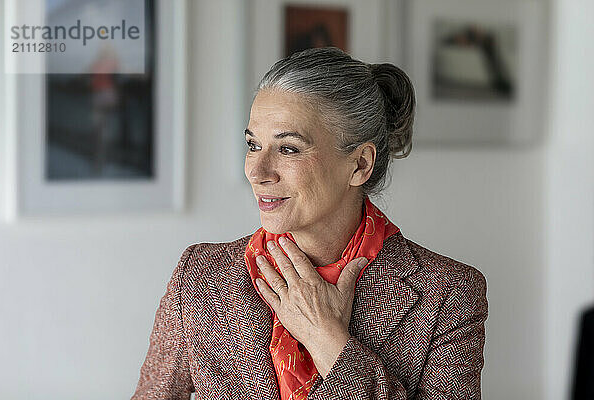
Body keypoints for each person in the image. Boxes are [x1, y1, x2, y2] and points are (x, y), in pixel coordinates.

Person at [131, 47, 488, 400]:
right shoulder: (199, 277)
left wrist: (327, 339)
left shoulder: (448, 294)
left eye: (288, 149)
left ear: (359, 165)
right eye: (253, 145)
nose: (256, 171)